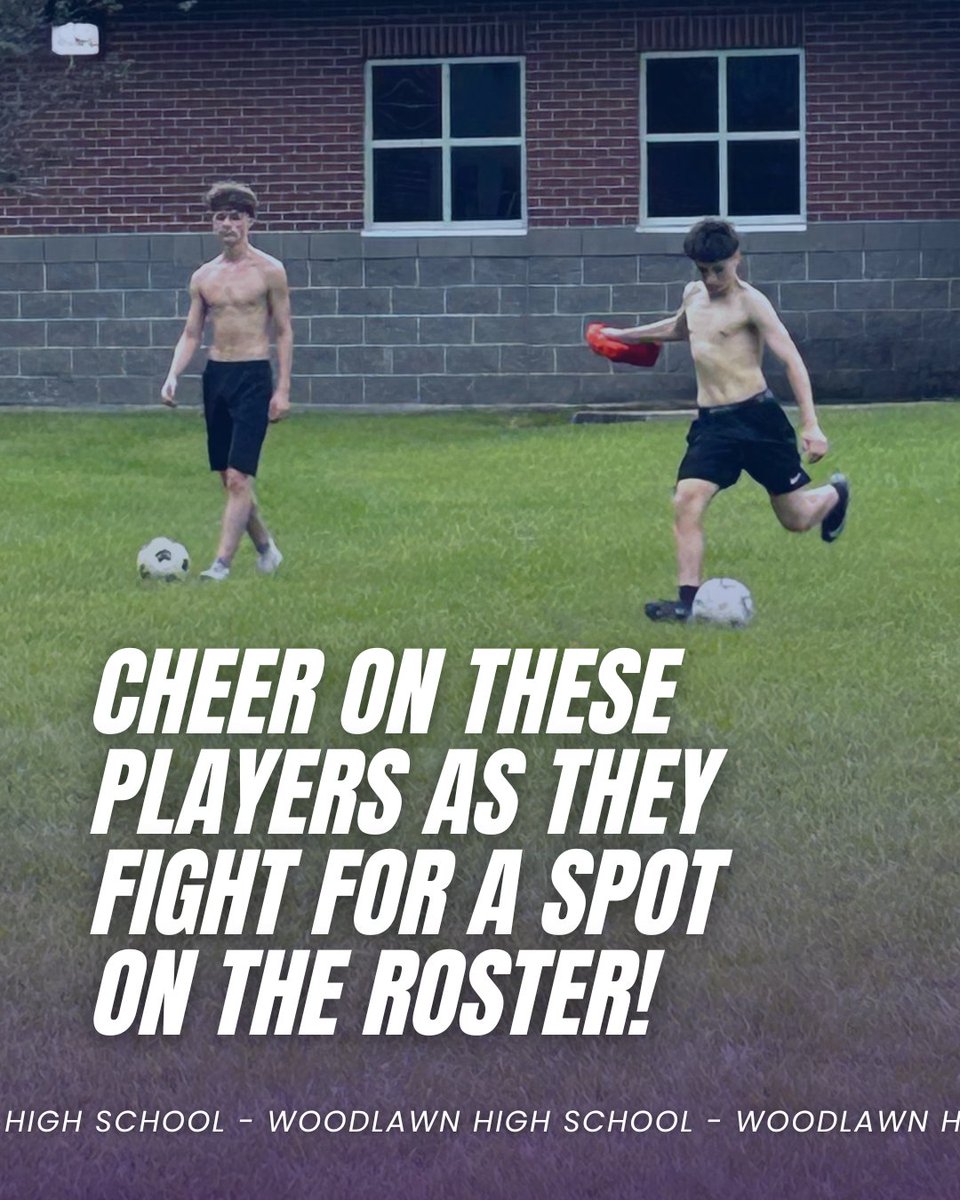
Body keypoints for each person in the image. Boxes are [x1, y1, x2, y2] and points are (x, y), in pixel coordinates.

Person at [599, 217, 849, 622]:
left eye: (719, 269)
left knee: (796, 519)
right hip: (713, 426)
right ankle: (687, 602)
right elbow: (681, 328)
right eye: (703, 270)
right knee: (687, 499)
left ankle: (835, 494)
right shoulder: (693, 295)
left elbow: (791, 359)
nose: (712, 278)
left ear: (737, 259)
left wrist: (811, 424)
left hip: (758, 421)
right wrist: (625, 335)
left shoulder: (751, 302)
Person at [161, 181, 292, 581]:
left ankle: (220, 565)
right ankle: (267, 550)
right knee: (228, 477)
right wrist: (172, 375)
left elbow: (284, 330)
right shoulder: (204, 276)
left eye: (235, 216)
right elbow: (191, 333)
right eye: (220, 216)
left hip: (253, 375)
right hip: (216, 375)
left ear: (249, 220)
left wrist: (282, 389)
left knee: (239, 477)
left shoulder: (270, 271)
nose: (227, 224)